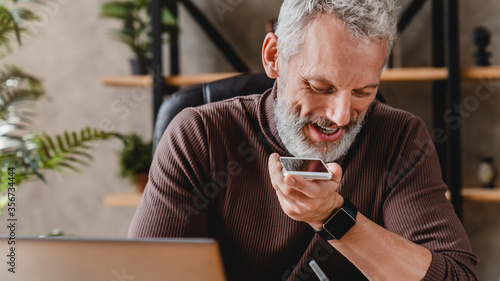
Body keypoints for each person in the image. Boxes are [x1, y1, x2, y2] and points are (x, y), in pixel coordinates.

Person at [129, 0, 478, 280]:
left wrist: (333, 217)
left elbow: (457, 276)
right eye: (320, 87)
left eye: (363, 91)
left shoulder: (401, 139)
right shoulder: (198, 135)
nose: (341, 116)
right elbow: (145, 274)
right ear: (273, 57)